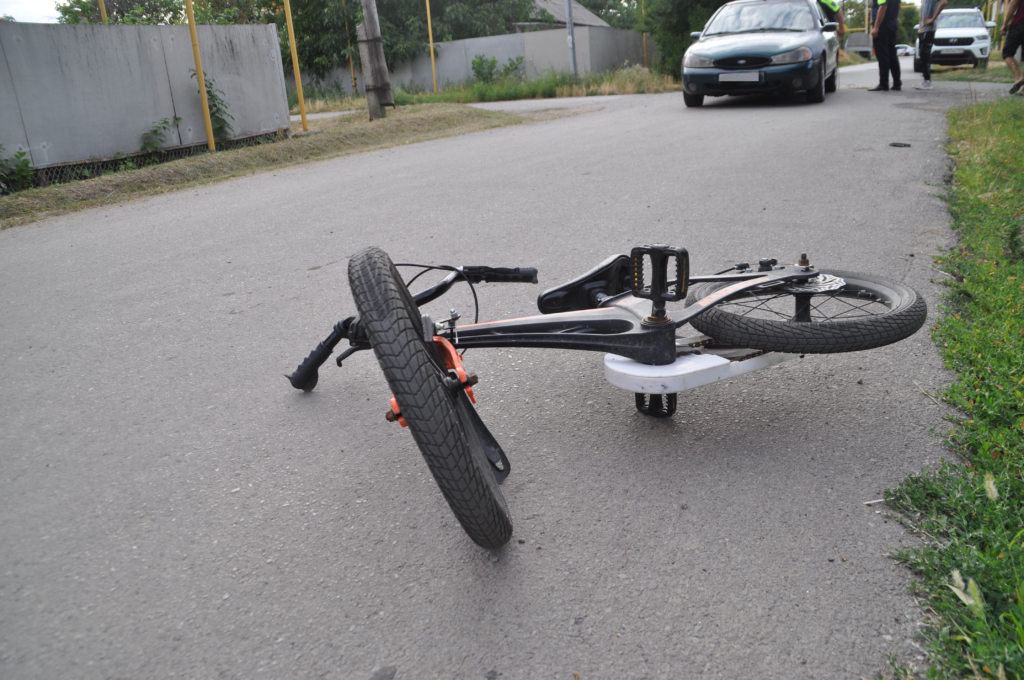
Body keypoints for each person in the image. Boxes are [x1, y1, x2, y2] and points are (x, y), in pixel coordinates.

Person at [870, 0, 902, 91]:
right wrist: (895, 18)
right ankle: (897, 83)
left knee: (883, 54)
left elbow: (883, 7)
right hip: (892, 23)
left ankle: (883, 83)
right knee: (892, 55)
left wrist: (876, 27)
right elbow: (899, 6)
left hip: (883, 24)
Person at [915, 0, 947, 89]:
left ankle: (927, 82)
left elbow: (944, 2)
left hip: (930, 29)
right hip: (923, 28)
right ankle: (925, 80)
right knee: (922, 55)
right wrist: (920, 25)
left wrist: (933, 19)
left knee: (925, 54)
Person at [1003, 0, 1024, 94]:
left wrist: (1004, 24)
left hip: (1019, 24)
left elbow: (1014, 3)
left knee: (1007, 53)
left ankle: (1019, 78)